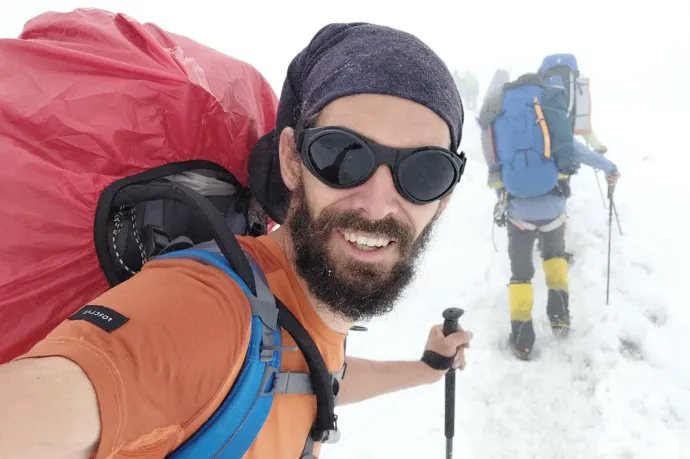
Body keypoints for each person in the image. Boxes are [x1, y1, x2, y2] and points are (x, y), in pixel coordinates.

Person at [0, 22, 472, 459]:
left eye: (425, 171)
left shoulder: (304, 311)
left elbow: (318, 375)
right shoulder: (209, 309)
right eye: (342, 155)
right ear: (291, 159)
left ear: (445, 196)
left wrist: (425, 369)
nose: (377, 203)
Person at [478, 73, 619, 360]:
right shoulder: (549, 115)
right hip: (554, 208)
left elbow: (494, 169)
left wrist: (504, 201)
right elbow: (578, 151)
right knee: (555, 257)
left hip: (518, 213)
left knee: (521, 274)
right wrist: (610, 167)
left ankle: (523, 339)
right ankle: (559, 315)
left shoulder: (499, 120)